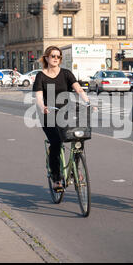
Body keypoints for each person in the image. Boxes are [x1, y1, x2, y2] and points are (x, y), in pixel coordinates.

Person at [33, 46, 92, 192]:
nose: (55, 58)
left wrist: (87, 101)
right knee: (56, 143)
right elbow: (39, 97)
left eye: (58, 56)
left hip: (66, 112)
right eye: (52, 56)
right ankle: (56, 178)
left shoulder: (66, 73)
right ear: (46, 58)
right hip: (48, 114)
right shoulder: (41, 76)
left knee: (79, 137)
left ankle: (76, 168)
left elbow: (78, 89)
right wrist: (43, 107)